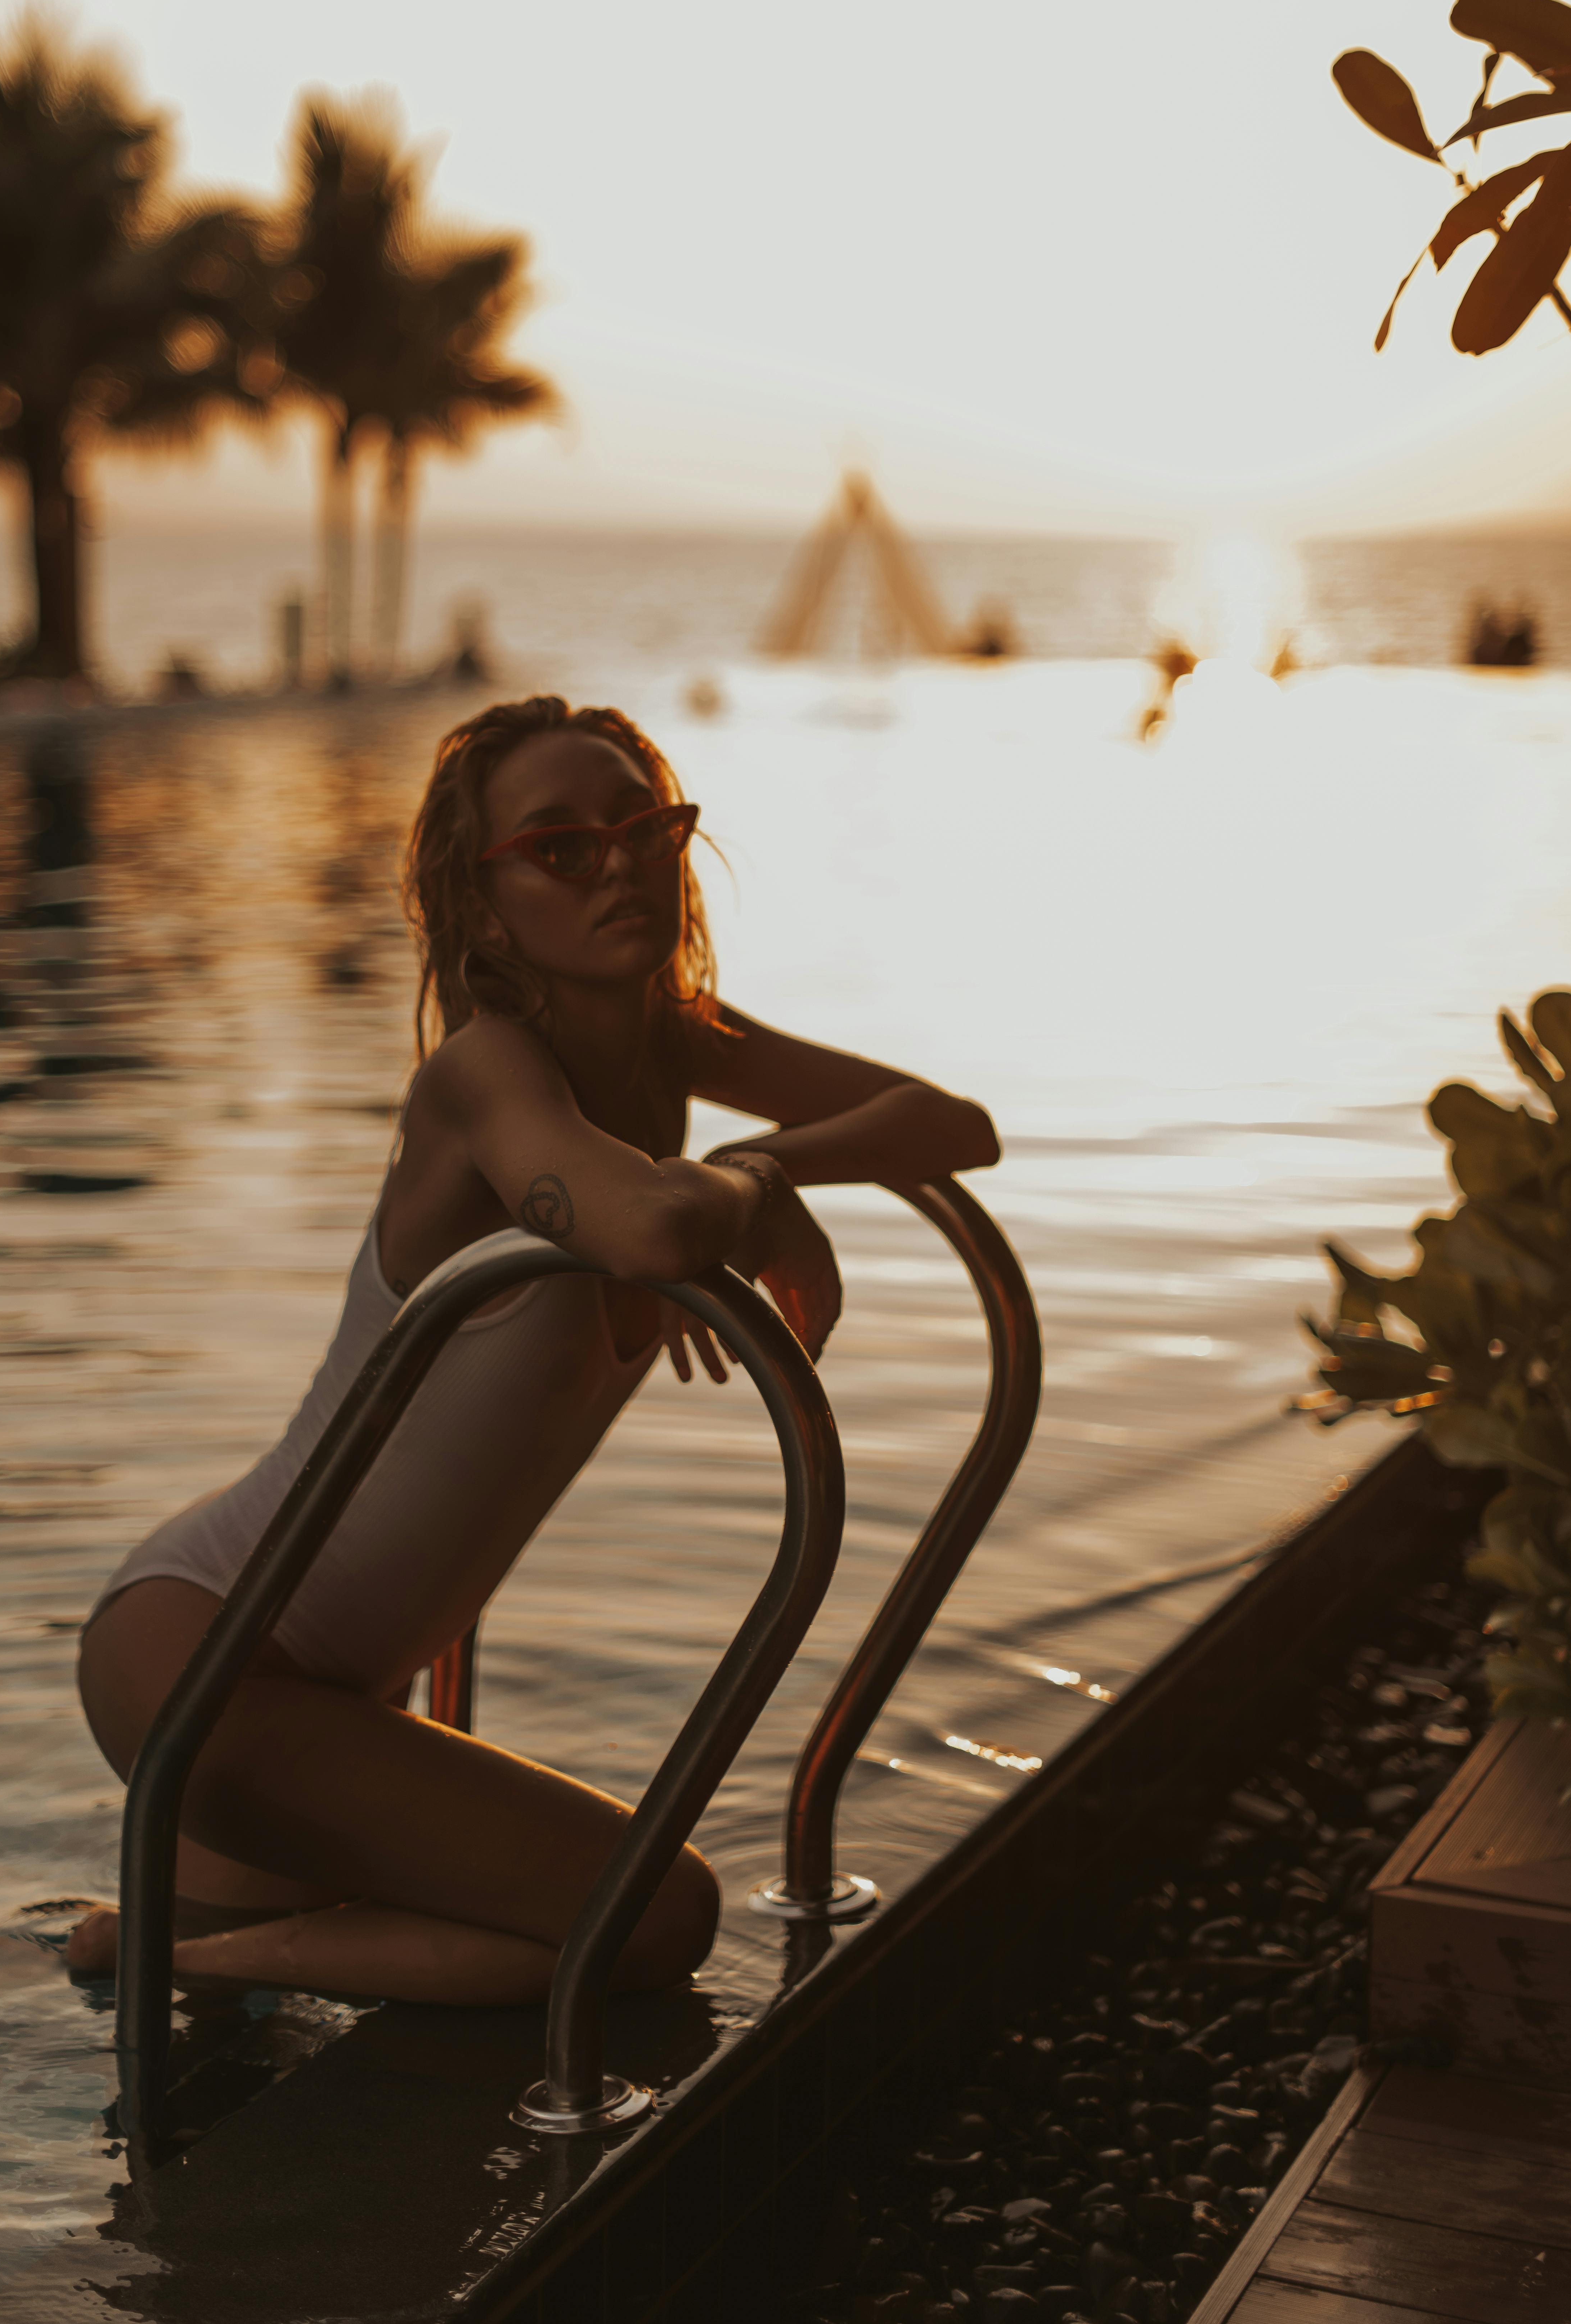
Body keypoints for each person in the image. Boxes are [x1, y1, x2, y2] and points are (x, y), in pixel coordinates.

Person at [64, 694, 999, 2007]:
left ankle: (166, 1957)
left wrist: (757, 1166)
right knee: (660, 1914)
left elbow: (952, 1124)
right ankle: (171, 1957)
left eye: (645, 827)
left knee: (229, 2063)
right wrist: (738, 1194)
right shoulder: (484, 1075)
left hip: (330, 1693)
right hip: (211, 1655)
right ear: (487, 909)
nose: (617, 862)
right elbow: (647, 1223)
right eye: (559, 845)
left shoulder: (684, 1045)